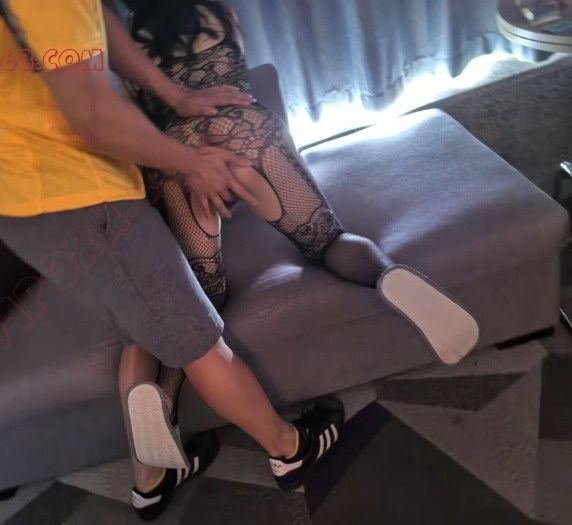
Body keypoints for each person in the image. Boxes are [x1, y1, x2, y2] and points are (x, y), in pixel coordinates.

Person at [0, 0, 346, 520]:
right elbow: (93, 115)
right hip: (82, 201)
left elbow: (94, 23)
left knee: (141, 329)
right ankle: (289, 449)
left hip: (18, 202)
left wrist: (176, 96)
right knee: (199, 342)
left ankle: (153, 480)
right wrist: (189, 161)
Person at [123, 0, 481, 492]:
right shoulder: (217, 11)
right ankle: (387, 274)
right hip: (246, 131)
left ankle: (162, 401)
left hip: (181, 156)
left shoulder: (126, 39)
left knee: (202, 291)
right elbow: (236, 73)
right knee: (327, 239)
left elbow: (137, 124)